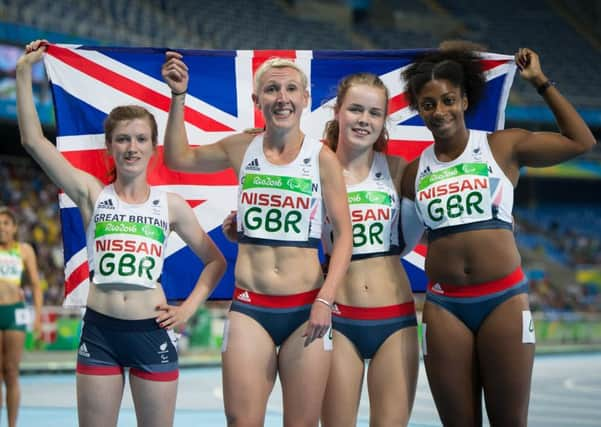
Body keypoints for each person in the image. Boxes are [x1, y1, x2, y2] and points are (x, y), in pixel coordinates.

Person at [17, 40, 227, 427]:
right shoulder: (91, 193)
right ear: (109, 148)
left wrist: (190, 306)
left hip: (151, 331)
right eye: (123, 140)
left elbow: (215, 261)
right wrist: (22, 72)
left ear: (153, 147)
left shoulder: (171, 205)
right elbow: (32, 141)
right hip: (100, 333)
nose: (132, 147)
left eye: (141, 139)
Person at [400, 42, 596, 426]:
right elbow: (395, 235)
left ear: (464, 100)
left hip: (502, 302)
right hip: (444, 308)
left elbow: (581, 141)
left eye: (447, 100)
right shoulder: (411, 173)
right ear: (418, 111)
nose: (439, 111)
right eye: (428, 104)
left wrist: (541, 82)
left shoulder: (500, 146)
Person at [162, 52, 352, 426]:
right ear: (257, 101)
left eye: (291, 89)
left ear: (305, 98)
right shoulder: (241, 148)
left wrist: (325, 299)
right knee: (242, 421)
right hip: (250, 307)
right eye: (272, 89)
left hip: (306, 310)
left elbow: (345, 237)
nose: (282, 97)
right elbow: (177, 158)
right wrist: (178, 97)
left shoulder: (322, 158)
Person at [319, 73, 419, 426]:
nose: (364, 120)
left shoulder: (399, 170)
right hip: (338, 318)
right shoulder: (314, 169)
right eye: (356, 110)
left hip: (395, 318)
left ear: (383, 121)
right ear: (338, 112)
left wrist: (500, 217)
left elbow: (440, 212)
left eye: (374, 113)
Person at [0, 207, 43, 427]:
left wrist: (37, 316)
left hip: (14, 312)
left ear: (14, 227)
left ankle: (12, 424)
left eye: (6, 223)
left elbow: (36, 285)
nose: (1, 227)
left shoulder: (24, 250)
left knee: (12, 371)